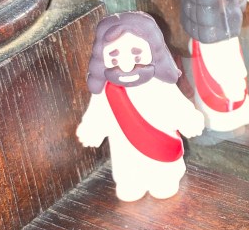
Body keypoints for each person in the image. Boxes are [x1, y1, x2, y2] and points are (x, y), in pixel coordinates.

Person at [77, 11, 205, 201]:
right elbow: (98, 114)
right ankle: (131, 181)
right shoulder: (106, 91)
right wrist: (92, 129)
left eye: (136, 55)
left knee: (163, 180)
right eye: (115, 56)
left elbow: (176, 105)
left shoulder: (160, 84)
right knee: (128, 171)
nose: (127, 65)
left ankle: (166, 177)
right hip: (125, 150)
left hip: (161, 148)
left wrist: (189, 120)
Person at [180, 0, 249, 132]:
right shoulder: (212, 39)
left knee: (234, 85)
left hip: (223, 46)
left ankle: (238, 108)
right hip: (219, 85)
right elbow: (226, 72)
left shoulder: (214, 27)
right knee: (227, 85)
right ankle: (222, 115)